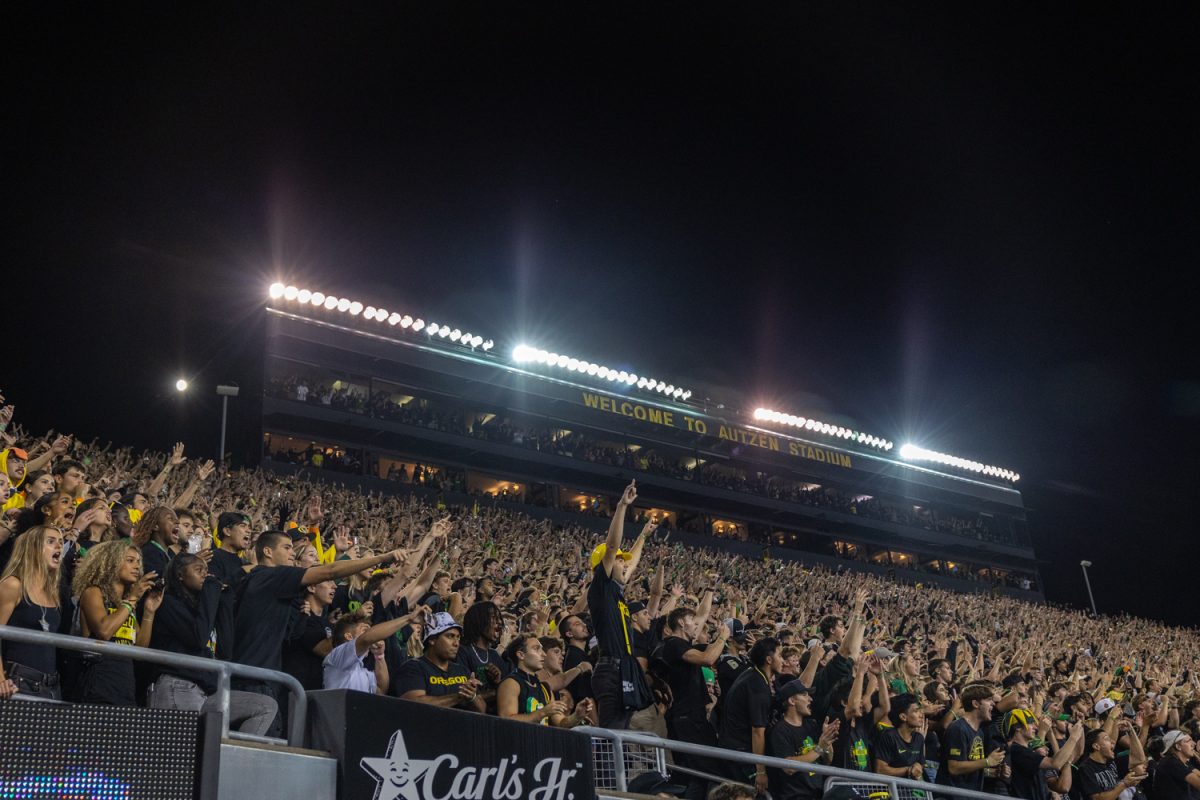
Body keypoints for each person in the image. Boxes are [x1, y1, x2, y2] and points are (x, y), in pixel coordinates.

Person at [231, 528, 411, 736]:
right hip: (255, 681)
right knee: (252, 754)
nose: (292, 552)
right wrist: (384, 557)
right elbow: (330, 570)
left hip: (256, 678)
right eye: (287, 547)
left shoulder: (263, 583)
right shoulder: (269, 575)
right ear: (268, 552)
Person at [146, 553, 277, 735]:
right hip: (178, 686)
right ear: (180, 575)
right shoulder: (168, 602)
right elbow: (198, 638)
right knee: (185, 758)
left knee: (265, 706)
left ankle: (231, 762)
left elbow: (225, 651)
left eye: (207, 571)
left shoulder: (203, 607)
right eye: (198, 570)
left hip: (207, 691)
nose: (205, 576)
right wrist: (210, 592)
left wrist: (223, 602)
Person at [588, 479, 655, 728]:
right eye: (619, 561)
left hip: (623, 667)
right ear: (605, 564)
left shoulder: (616, 591)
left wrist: (643, 537)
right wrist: (621, 506)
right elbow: (612, 546)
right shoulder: (600, 587)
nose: (624, 564)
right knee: (612, 734)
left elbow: (632, 562)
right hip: (611, 669)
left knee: (622, 733)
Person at [72, 539, 162, 705]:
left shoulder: (126, 603)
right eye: (129, 560)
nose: (137, 566)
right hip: (98, 678)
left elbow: (140, 650)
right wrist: (132, 599)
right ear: (110, 563)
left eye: (138, 562)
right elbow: (104, 631)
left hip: (125, 680)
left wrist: (149, 611)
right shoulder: (93, 592)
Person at [0, 525, 64, 699]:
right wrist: (0, 680)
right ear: (32, 548)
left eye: (61, 542)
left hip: (51, 685)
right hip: (17, 681)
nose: (59, 546)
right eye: (51, 542)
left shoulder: (53, 592)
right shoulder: (13, 585)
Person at [718, 637, 781, 796]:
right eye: (780, 656)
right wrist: (760, 770)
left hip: (735, 749)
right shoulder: (757, 685)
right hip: (741, 754)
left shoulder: (753, 674)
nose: (783, 660)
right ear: (768, 659)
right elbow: (757, 731)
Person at [394, 611, 484, 711]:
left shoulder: (462, 670)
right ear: (432, 639)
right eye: (450, 636)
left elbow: (482, 710)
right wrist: (458, 697)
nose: (456, 643)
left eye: (458, 638)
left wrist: (472, 697)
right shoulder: (413, 668)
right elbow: (413, 705)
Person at [497, 634, 594, 726]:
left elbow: (560, 723)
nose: (543, 654)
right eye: (536, 649)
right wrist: (542, 712)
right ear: (521, 655)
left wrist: (577, 716)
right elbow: (506, 720)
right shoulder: (511, 683)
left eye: (542, 649)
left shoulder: (544, 689)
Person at [323, 606, 425, 694]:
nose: (372, 636)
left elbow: (381, 690)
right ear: (349, 636)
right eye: (364, 630)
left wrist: (379, 655)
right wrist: (408, 618)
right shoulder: (336, 657)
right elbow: (367, 638)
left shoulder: (363, 670)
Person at [768, 680, 839, 800]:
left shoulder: (811, 725)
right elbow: (788, 767)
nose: (810, 699)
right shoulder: (779, 731)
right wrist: (819, 748)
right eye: (804, 695)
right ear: (792, 701)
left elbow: (828, 760)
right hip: (794, 796)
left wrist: (827, 741)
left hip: (819, 794)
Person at [938, 683, 1007, 793]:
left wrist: (993, 773)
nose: (993, 704)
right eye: (989, 700)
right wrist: (988, 761)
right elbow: (954, 768)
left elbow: (972, 765)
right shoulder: (958, 728)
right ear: (975, 703)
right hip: (953, 796)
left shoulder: (979, 732)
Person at [1004, 708, 1084, 800]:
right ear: (1017, 727)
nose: (1035, 727)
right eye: (1031, 723)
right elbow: (1055, 763)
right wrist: (1073, 737)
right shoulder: (1016, 750)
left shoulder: (1024, 750)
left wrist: (1049, 792)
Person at [1079, 725, 1149, 800]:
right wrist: (1124, 784)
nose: (1112, 742)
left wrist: (1131, 731)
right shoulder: (1086, 768)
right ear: (1096, 746)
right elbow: (1097, 798)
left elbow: (1140, 759)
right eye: (1107, 739)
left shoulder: (1110, 761)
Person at [874, 693, 929, 783]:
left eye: (920, 711)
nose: (921, 715)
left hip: (912, 789)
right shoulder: (888, 736)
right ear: (903, 717)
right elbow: (880, 770)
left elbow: (921, 763)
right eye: (916, 711)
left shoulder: (919, 738)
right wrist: (908, 770)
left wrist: (918, 766)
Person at [1152, 730, 1200, 800]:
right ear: (1178, 746)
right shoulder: (1170, 763)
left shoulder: (1182, 762)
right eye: (1188, 741)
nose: (1194, 743)